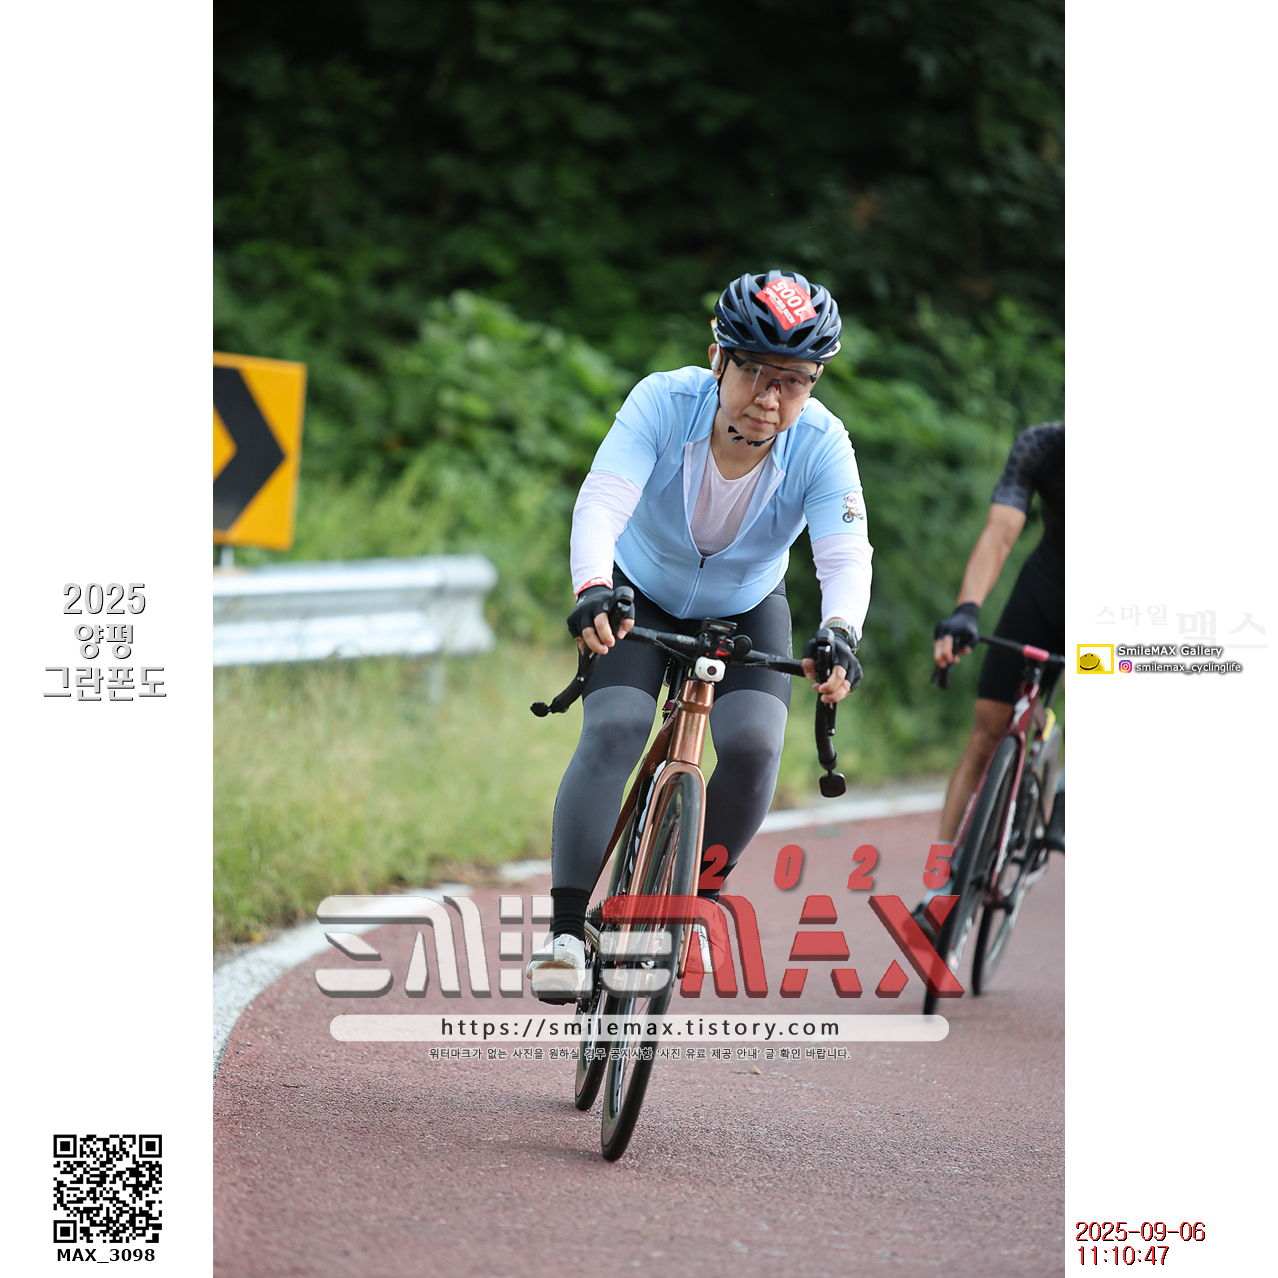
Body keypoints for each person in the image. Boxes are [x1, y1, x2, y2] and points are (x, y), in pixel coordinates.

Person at [527, 270, 873, 991]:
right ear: (718, 357)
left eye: (795, 381)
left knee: (754, 745)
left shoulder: (822, 443)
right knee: (617, 727)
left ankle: (696, 899)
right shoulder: (663, 402)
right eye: (756, 373)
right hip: (638, 591)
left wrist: (841, 630)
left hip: (747, 604)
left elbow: (844, 556)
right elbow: (602, 502)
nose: (771, 398)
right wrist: (592, 588)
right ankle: (564, 932)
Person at [923, 420, 1065, 915]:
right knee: (985, 733)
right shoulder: (1042, 445)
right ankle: (938, 881)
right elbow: (1001, 533)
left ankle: (1062, 785)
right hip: (1043, 592)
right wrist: (967, 610)